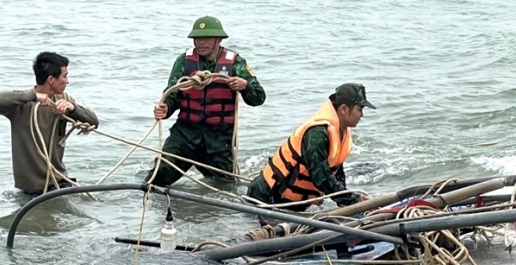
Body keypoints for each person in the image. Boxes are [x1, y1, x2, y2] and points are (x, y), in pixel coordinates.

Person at [144, 15, 266, 186]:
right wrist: (165, 109)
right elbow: (172, 94)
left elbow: (258, 98)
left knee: (226, 188)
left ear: (218, 39)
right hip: (185, 135)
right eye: (197, 38)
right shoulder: (184, 62)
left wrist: (245, 86)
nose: (201, 43)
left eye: (206, 38)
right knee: (155, 180)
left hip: (219, 140)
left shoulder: (235, 62)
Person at [246, 83, 375, 212]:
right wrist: (352, 199)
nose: (362, 115)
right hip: (266, 197)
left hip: (292, 203)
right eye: (360, 109)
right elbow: (321, 177)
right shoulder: (317, 134)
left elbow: (336, 171)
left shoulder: (341, 132)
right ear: (343, 109)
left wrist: (346, 201)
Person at [0, 52, 99, 197]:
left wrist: (73, 109)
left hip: (60, 182)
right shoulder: (22, 105)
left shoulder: (64, 99)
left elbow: (93, 122)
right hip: (32, 190)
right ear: (51, 79)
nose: (67, 81)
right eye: (65, 76)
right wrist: (33, 96)